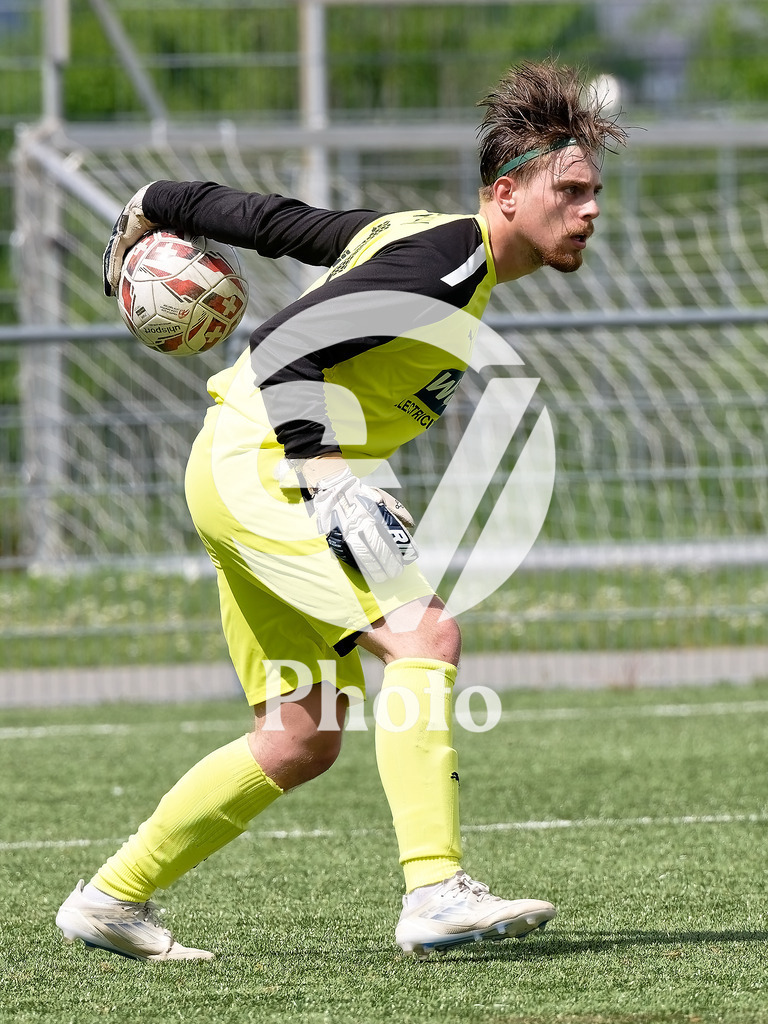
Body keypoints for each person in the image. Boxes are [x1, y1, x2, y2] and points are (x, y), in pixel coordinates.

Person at [56, 59, 627, 962]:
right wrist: (325, 472)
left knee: (301, 735)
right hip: (269, 467)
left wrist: (158, 202)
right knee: (426, 636)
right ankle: (434, 891)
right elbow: (284, 339)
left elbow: (277, 222)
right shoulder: (448, 262)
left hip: (237, 462)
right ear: (506, 194)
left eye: (594, 192)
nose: (591, 209)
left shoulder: (417, 238)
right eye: (572, 190)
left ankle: (110, 899)